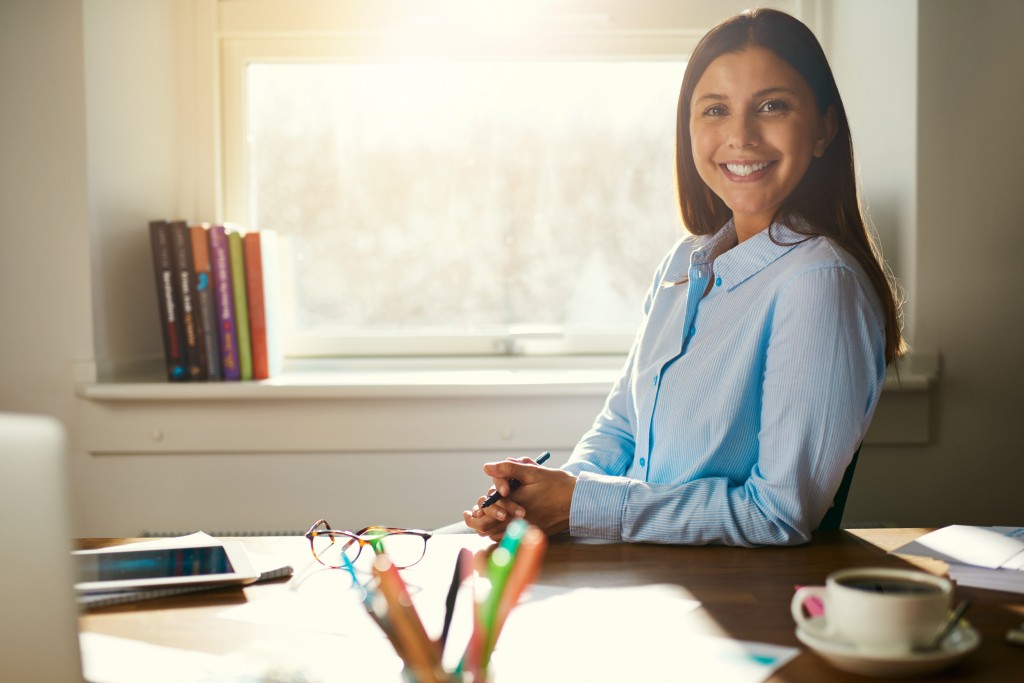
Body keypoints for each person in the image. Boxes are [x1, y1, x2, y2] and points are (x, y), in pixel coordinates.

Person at [462, 8, 904, 546]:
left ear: (824, 128)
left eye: (772, 106)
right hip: (647, 574)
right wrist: (546, 497)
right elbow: (624, 427)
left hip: (738, 601)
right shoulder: (683, 263)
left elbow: (778, 513)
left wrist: (581, 506)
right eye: (715, 109)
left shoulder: (818, 282)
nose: (740, 135)